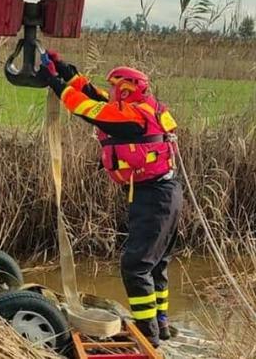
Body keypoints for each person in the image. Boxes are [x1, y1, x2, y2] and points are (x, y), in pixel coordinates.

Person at [37, 50, 182, 347]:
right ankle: (161, 325)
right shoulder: (142, 109)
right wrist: (66, 72)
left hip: (155, 196)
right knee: (155, 264)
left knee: (135, 265)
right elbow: (97, 97)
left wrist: (52, 82)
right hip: (165, 193)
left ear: (128, 89)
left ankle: (148, 334)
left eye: (118, 88)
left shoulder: (132, 115)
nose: (114, 92)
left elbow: (89, 109)